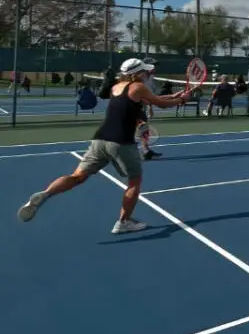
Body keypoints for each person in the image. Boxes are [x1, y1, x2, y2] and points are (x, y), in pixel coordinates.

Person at [16, 58, 192, 234]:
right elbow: (159, 104)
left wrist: (174, 96)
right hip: (121, 142)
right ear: (137, 74)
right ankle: (123, 222)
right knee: (134, 182)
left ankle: (46, 193)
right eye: (144, 72)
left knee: (77, 176)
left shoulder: (116, 87)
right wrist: (182, 100)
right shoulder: (138, 87)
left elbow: (150, 100)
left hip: (99, 139)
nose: (147, 74)